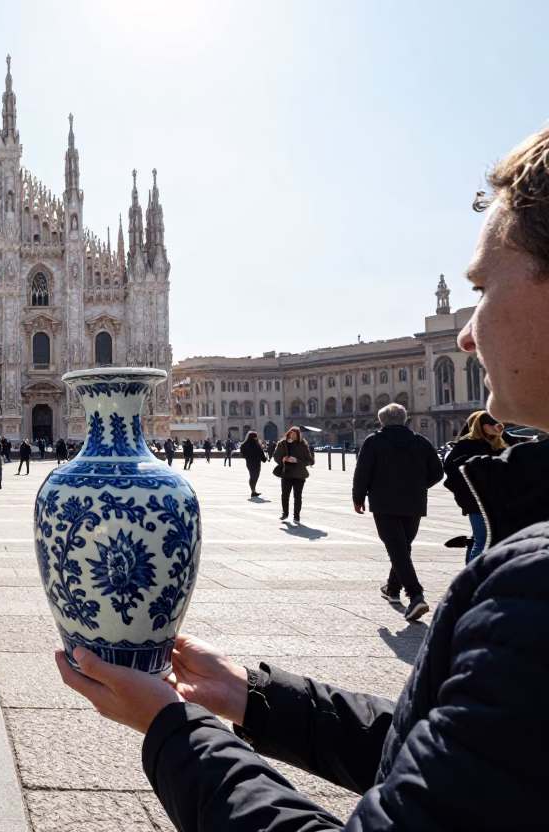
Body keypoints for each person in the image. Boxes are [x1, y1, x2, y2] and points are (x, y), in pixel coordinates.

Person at [53, 125, 549, 832]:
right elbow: (454, 760)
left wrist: (172, 731)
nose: (465, 333)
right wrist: (252, 697)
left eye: (482, 290)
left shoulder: (534, 586)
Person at [352, 402, 445, 621]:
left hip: (384, 503)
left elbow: (362, 472)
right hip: (414, 502)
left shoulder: (374, 441)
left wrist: (358, 498)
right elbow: (438, 472)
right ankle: (392, 589)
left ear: (381, 420)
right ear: (405, 419)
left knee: (397, 549)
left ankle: (415, 595)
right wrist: (420, 486)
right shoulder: (422, 442)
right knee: (402, 547)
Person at [443, 410, 507, 563]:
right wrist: (466, 496)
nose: (498, 428)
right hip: (476, 501)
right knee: (482, 540)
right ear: (482, 426)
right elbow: (453, 474)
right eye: (492, 425)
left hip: (498, 501)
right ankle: (472, 579)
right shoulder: (466, 445)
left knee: (493, 540)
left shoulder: (500, 445)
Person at [272, 426, 313, 523]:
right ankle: (285, 513)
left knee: (297, 495)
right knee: (285, 494)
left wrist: (297, 461)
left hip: (299, 474)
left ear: (298, 435)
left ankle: (296, 516)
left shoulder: (303, 445)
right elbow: (276, 456)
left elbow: (310, 461)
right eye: (291, 433)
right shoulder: (283, 444)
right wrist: (283, 459)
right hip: (286, 473)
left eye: (295, 434)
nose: (292, 435)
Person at [238, 431, 266, 498]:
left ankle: (253, 490)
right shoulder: (254, 445)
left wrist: (247, 457)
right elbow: (260, 453)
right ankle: (253, 491)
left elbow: (242, 454)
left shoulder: (246, 445)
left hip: (251, 462)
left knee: (254, 476)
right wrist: (264, 459)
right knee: (254, 476)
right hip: (255, 462)